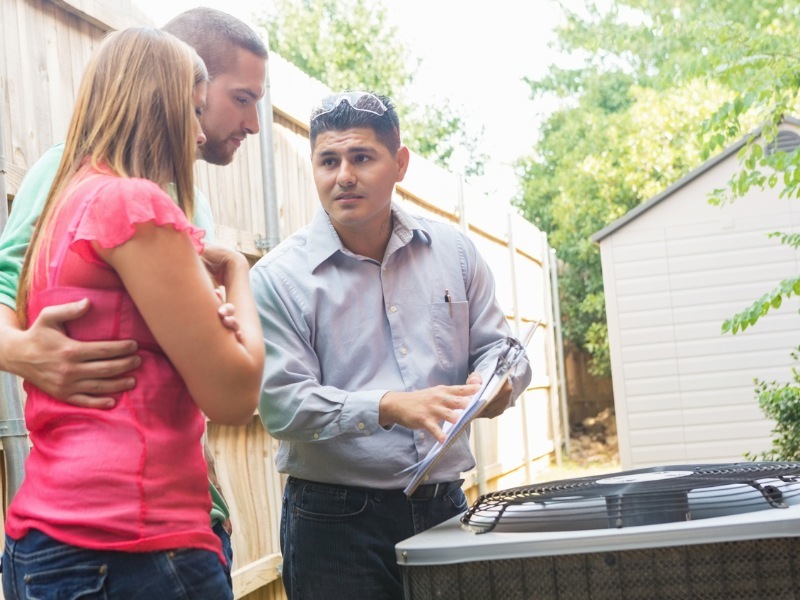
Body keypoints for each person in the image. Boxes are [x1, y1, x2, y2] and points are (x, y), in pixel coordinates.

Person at [0, 6, 268, 574]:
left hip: (74, 516)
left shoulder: (107, 195)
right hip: (132, 531)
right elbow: (234, 393)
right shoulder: (122, 197)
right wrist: (20, 349)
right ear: (171, 88)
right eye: (238, 99)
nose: (249, 122)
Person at [250, 91, 533, 600]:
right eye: (328, 161)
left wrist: (498, 383)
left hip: (445, 506)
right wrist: (387, 406)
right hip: (333, 523)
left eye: (362, 157)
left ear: (400, 163)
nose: (344, 176)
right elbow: (282, 406)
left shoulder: (455, 253)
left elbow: (503, 349)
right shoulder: (278, 278)